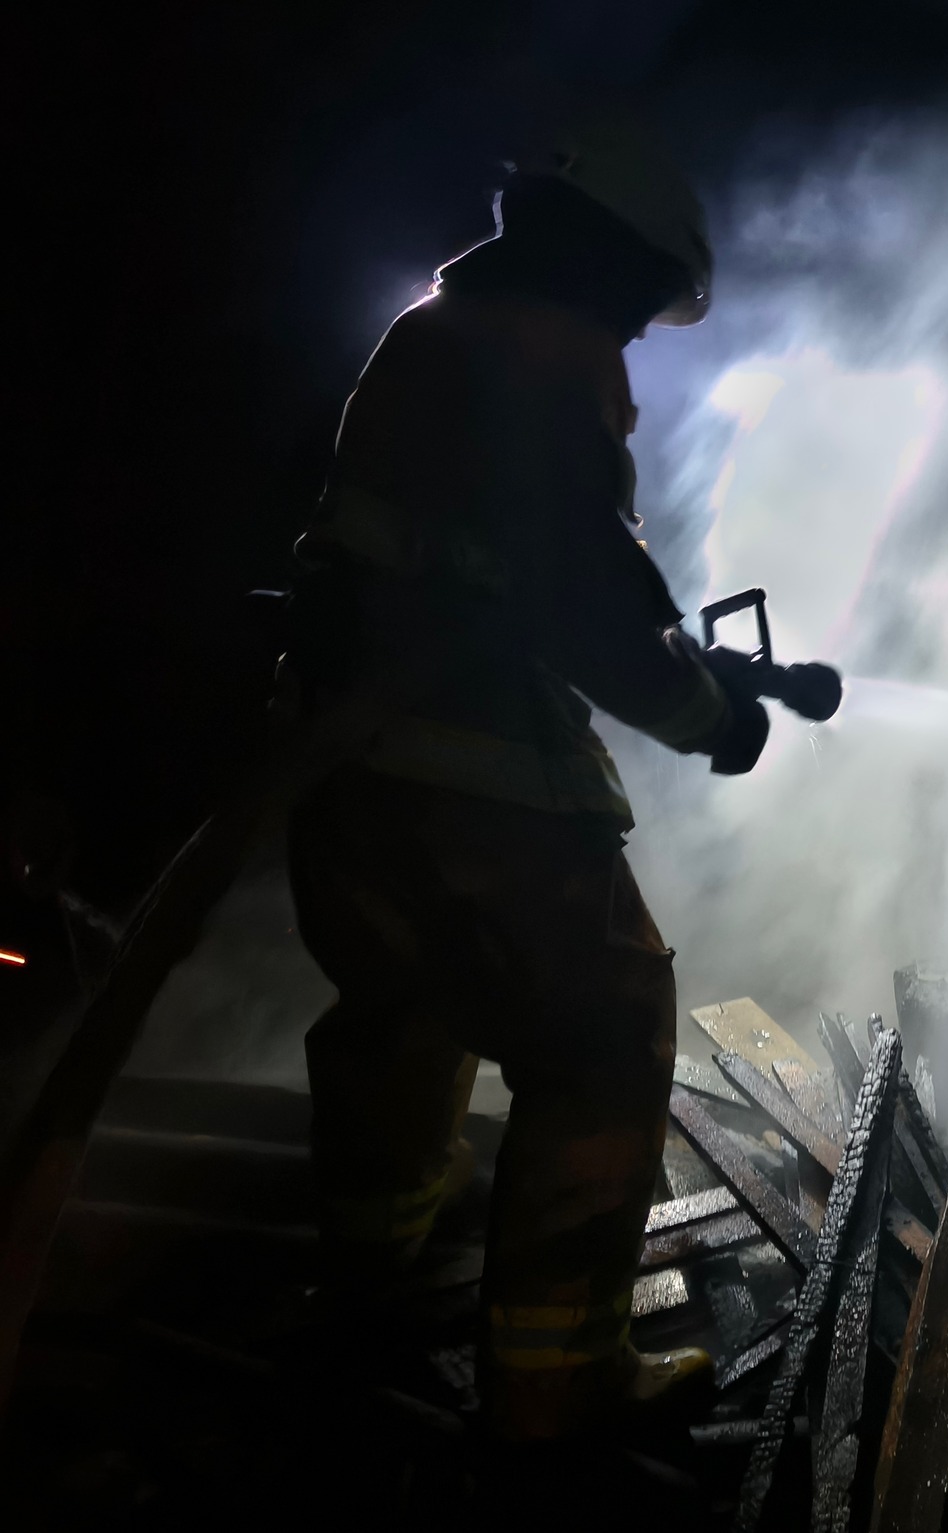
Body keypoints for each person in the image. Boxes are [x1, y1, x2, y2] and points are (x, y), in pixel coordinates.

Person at [281, 123, 757, 1440]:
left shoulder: (430, 333)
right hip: (479, 787)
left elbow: (445, 558)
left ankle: (366, 1287)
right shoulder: (553, 353)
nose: (643, 338)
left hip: (342, 779)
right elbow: (586, 594)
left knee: (401, 1013)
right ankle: (555, 1398)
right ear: (607, 256)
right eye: (643, 297)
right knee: (604, 1037)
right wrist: (712, 717)